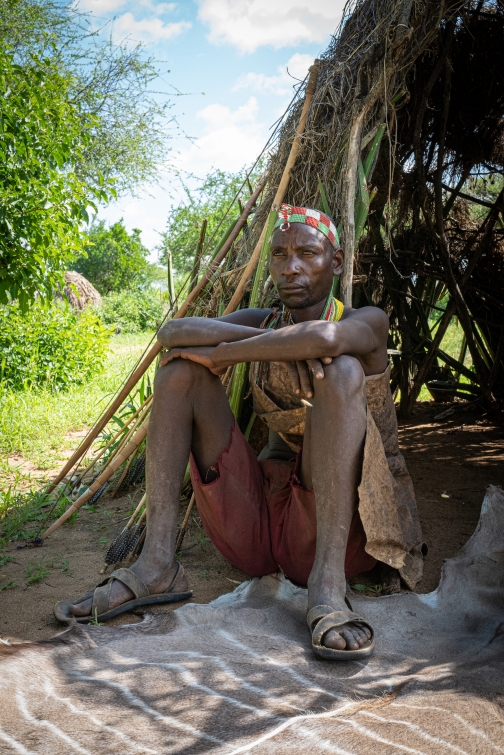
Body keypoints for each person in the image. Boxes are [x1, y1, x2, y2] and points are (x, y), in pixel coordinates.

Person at [56, 204, 424, 660]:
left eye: (307, 253)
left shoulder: (367, 320)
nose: (291, 267)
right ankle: (156, 566)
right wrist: (229, 347)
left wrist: (226, 354)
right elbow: (172, 331)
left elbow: (327, 340)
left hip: (342, 536)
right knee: (178, 373)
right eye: (279, 254)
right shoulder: (263, 321)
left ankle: (328, 589)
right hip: (259, 530)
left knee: (341, 370)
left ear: (337, 260)